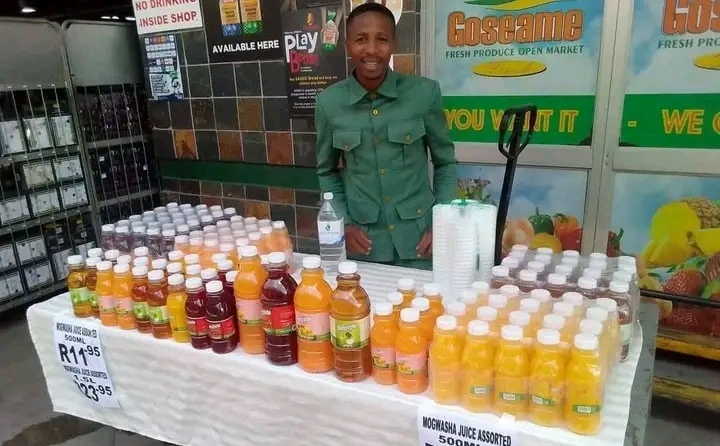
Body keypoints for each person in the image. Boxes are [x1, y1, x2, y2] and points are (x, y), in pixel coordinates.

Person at [315, 2, 457, 270]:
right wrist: (344, 223)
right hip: (364, 245)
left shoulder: (423, 94)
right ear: (347, 45)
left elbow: (446, 163)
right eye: (360, 39)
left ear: (394, 44)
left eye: (381, 39)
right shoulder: (329, 104)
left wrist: (442, 224)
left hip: (421, 243)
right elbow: (327, 171)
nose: (371, 49)